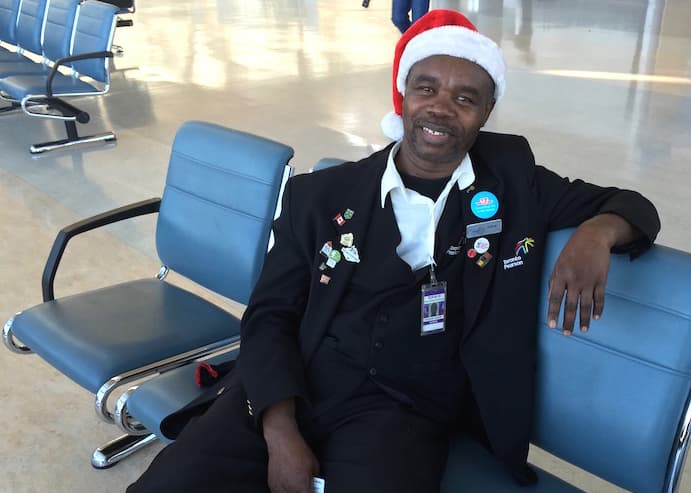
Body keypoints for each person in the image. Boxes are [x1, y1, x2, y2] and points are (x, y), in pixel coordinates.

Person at [128, 9, 659, 493]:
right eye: (427, 89)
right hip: (295, 379)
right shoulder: (322, 196)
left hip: (405, 410)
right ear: (403, 95)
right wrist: (280, 430)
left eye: (465, 98)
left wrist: (597, 234)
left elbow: (634, 205)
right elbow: (269, 316)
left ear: (487, 111)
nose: (442, 108)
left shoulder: (515, 180)